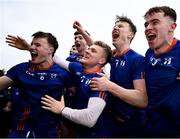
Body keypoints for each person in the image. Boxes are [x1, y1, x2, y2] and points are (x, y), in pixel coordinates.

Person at [2, 31, 73, 138]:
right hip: (20, 132)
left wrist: (64, 110)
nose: (31, 48)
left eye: (37, 45)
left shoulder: (62, 74)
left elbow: (81, 96)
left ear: (51, 50)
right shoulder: (21, 69)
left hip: (49, 134)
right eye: (31, 44)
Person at [90, 15, 148, 137]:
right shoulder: (113, 56)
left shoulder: (137, 60)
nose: (115, 28)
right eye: (114, 26)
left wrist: (109, 86)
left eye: (120, 26)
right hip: (112, 123)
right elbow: (97, 50)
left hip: (134, 127)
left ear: (130, 35)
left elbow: (142, 100)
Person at [41, 40, 112, 138]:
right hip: (80, 133)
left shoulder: (100, 81)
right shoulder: (78, 68)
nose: (87, 51)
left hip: (97, 135)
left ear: (101, 61)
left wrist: (62, 109)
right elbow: (56, 59)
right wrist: (31, 48)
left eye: (93, 51)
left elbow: (90, 119)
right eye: (88, 49)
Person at [144, 6, 180, 137]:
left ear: (172, 26)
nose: (148, 28)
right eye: (146, 24)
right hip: (149, 128)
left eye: (155, 22)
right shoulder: (148, 53)